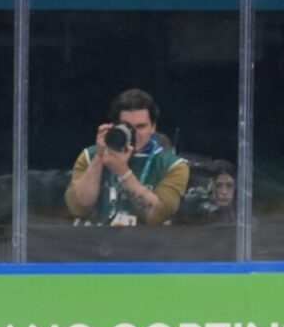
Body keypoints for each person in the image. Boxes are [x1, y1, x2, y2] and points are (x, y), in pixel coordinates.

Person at [64, 88, 190, 227]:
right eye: (127, 127)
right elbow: (77, 208)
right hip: (97, 242)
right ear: (114, 126)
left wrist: (123, 172)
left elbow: (157, 216)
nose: (135, 134)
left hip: (147, 245)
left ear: (153, 127)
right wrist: (99, 157)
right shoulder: (89, 156)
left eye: (141, 127)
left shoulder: (174, 165)